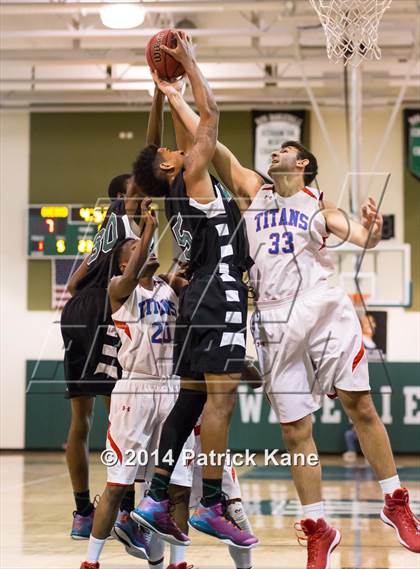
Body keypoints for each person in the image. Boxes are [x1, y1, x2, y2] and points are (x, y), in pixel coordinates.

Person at [159, 87, 420, 566]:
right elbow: (207, 140)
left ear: (303, 166)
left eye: (285, 151)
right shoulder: (252, 191)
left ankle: (394, 501)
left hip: (321, 308)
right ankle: (319, 526)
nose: (276, 153)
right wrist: (175, 95)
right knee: (295, 430)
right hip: (274, 317)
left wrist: (375, 228)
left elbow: (363, 238)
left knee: (360, 405)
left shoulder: (319, 206)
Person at [131, 31, 258, 550]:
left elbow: (166, 141)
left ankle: (157, 495)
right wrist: (192, 65)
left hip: (195, 302)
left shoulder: (177, 190)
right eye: (167, 151)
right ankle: (211, 503)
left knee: (190, 401)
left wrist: (164, 94)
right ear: (168, 166)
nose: (170, 148)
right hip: (219, 293)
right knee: (220, 405)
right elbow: (213, 117)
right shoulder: (195, 175)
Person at [61, 86, 165, 539]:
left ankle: (84, 511)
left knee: (83, 418)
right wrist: (159, 99)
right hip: (98, 312)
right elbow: (150, 152)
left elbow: (72, 281)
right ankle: (123, 512)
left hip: (77, 313)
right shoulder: (128, 223)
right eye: (136, 191)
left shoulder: (112, 227)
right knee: (120, 408)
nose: (144, 194)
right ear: (123, 195)